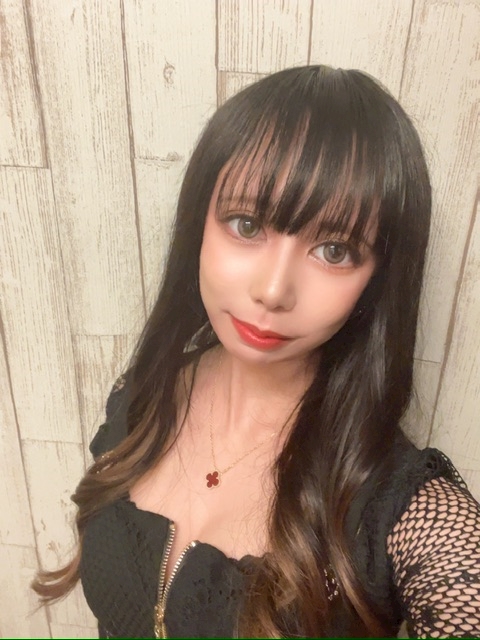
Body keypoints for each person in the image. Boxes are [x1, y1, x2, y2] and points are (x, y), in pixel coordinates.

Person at [33, 65, 480, 638]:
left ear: (376, 278)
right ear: (199, 223)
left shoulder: (399, 509)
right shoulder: (140, 397)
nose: (273, 291)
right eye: (246, 224)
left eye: (335, 251)